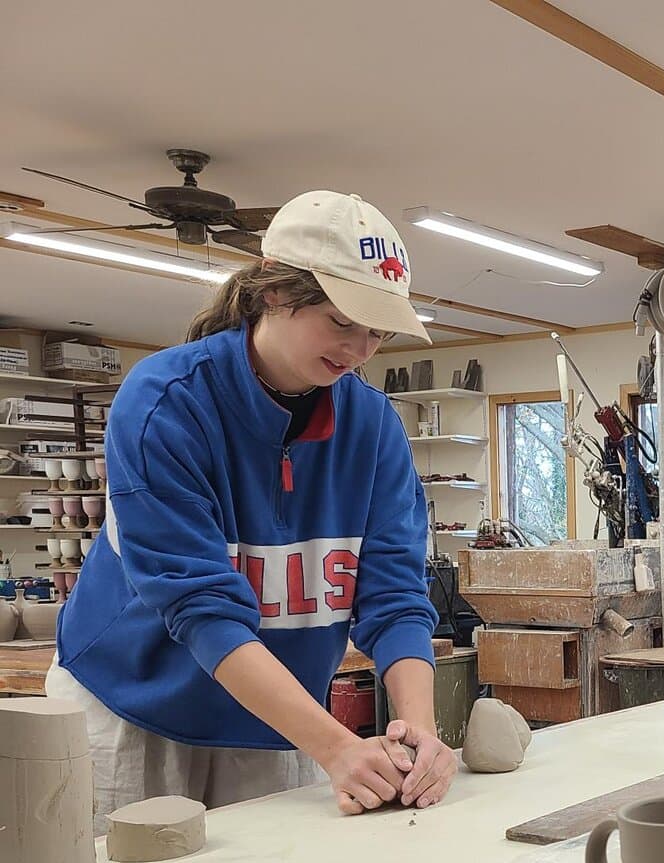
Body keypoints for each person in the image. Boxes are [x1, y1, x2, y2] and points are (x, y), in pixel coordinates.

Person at [49, 191, 459, 822]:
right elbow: (202, 607)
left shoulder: (373, 427)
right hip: (132, 707)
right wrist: (335, 745)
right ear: (273, 292)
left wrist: (421, 730)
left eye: (377, 332)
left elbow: (395, 596)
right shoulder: (166, 401)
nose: (359, 350)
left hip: (277, 716)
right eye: (343, 321)